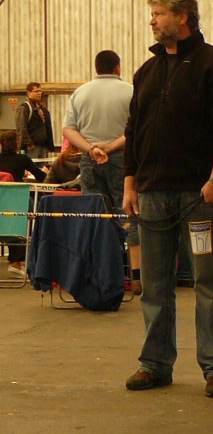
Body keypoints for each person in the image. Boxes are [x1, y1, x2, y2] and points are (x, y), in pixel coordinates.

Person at [123, 0, 213, 398]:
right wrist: (129, 183)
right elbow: (133, 131)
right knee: (154, 285)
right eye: (152, 14)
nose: (152, 20)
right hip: (152, 196)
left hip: (198, 196)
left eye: (158, 13)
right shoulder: (146, 72)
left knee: (208, 283)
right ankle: (154, 364)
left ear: (182, 17)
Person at [62, 50, 142, 294]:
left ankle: (100, 273)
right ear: (117, 67)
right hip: (123, 160)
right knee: (130, 213)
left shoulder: (80, 93)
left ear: (97, 68)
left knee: (94, 217)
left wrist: (91, 149)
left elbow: (68, 129)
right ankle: (136, 277)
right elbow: (137, 128)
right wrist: (110, 146)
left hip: (90, 161)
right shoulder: (130, 91)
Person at [0, 130, 45, 276]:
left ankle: (17, 259)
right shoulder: (22, 159)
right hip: (16, 200)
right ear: (16, 143)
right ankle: (17, 260)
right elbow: (40, 176)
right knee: (32, 207)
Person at [15, 82, 55, 159]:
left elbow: (48, 127)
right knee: (30, 168)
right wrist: (29, 144)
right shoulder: (25, 108)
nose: (39, 93)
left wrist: (49, 145)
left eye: (40, 91)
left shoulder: (42, 108)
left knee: (41, 169)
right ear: (28, 92)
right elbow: (21, 127)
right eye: (36, 91)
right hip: (31, 147)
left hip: (42, 146)